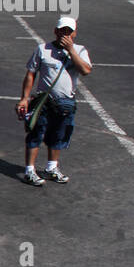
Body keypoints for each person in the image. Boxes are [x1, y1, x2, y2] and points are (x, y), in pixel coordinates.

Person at [17, 16, 92, 187]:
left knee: (58, 135)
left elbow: (86, 70)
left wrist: (71, 51)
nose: (64, 34)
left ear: (74, 33)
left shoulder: (80, 51)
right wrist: (24, 98)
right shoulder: (43, 49)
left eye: (68, 31)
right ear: (55, 31)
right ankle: (29, 170)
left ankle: (51, 168)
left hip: (65, 103)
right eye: (61, 30)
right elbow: (30, 74)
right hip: (43, 101)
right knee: (35, 134)